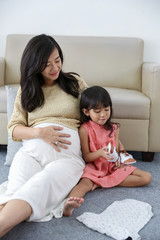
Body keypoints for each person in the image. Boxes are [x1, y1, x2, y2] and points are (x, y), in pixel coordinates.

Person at [0, 34, 88, 237]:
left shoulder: (74, 82)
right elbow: (13, 128)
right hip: (30, 153)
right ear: (33, 66)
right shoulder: (28, 90)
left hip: (67, 159)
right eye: (46, 64)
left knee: (34, 192)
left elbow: (96, 113)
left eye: (57, 60)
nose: (55, 68)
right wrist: (40, 132)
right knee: (14, 193)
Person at [63, 86, 152, 217]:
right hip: (95, 168)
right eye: (97, 111)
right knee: (84, 185)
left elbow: (120, 149)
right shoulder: (85, 129)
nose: (103, 114)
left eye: (106, 109)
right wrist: (100, 153)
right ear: (86, 112)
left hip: (113, 167)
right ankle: (69, 205)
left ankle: (101, 183)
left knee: (146, 177)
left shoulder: (114, 128)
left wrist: (121, 159)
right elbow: (87, 157)